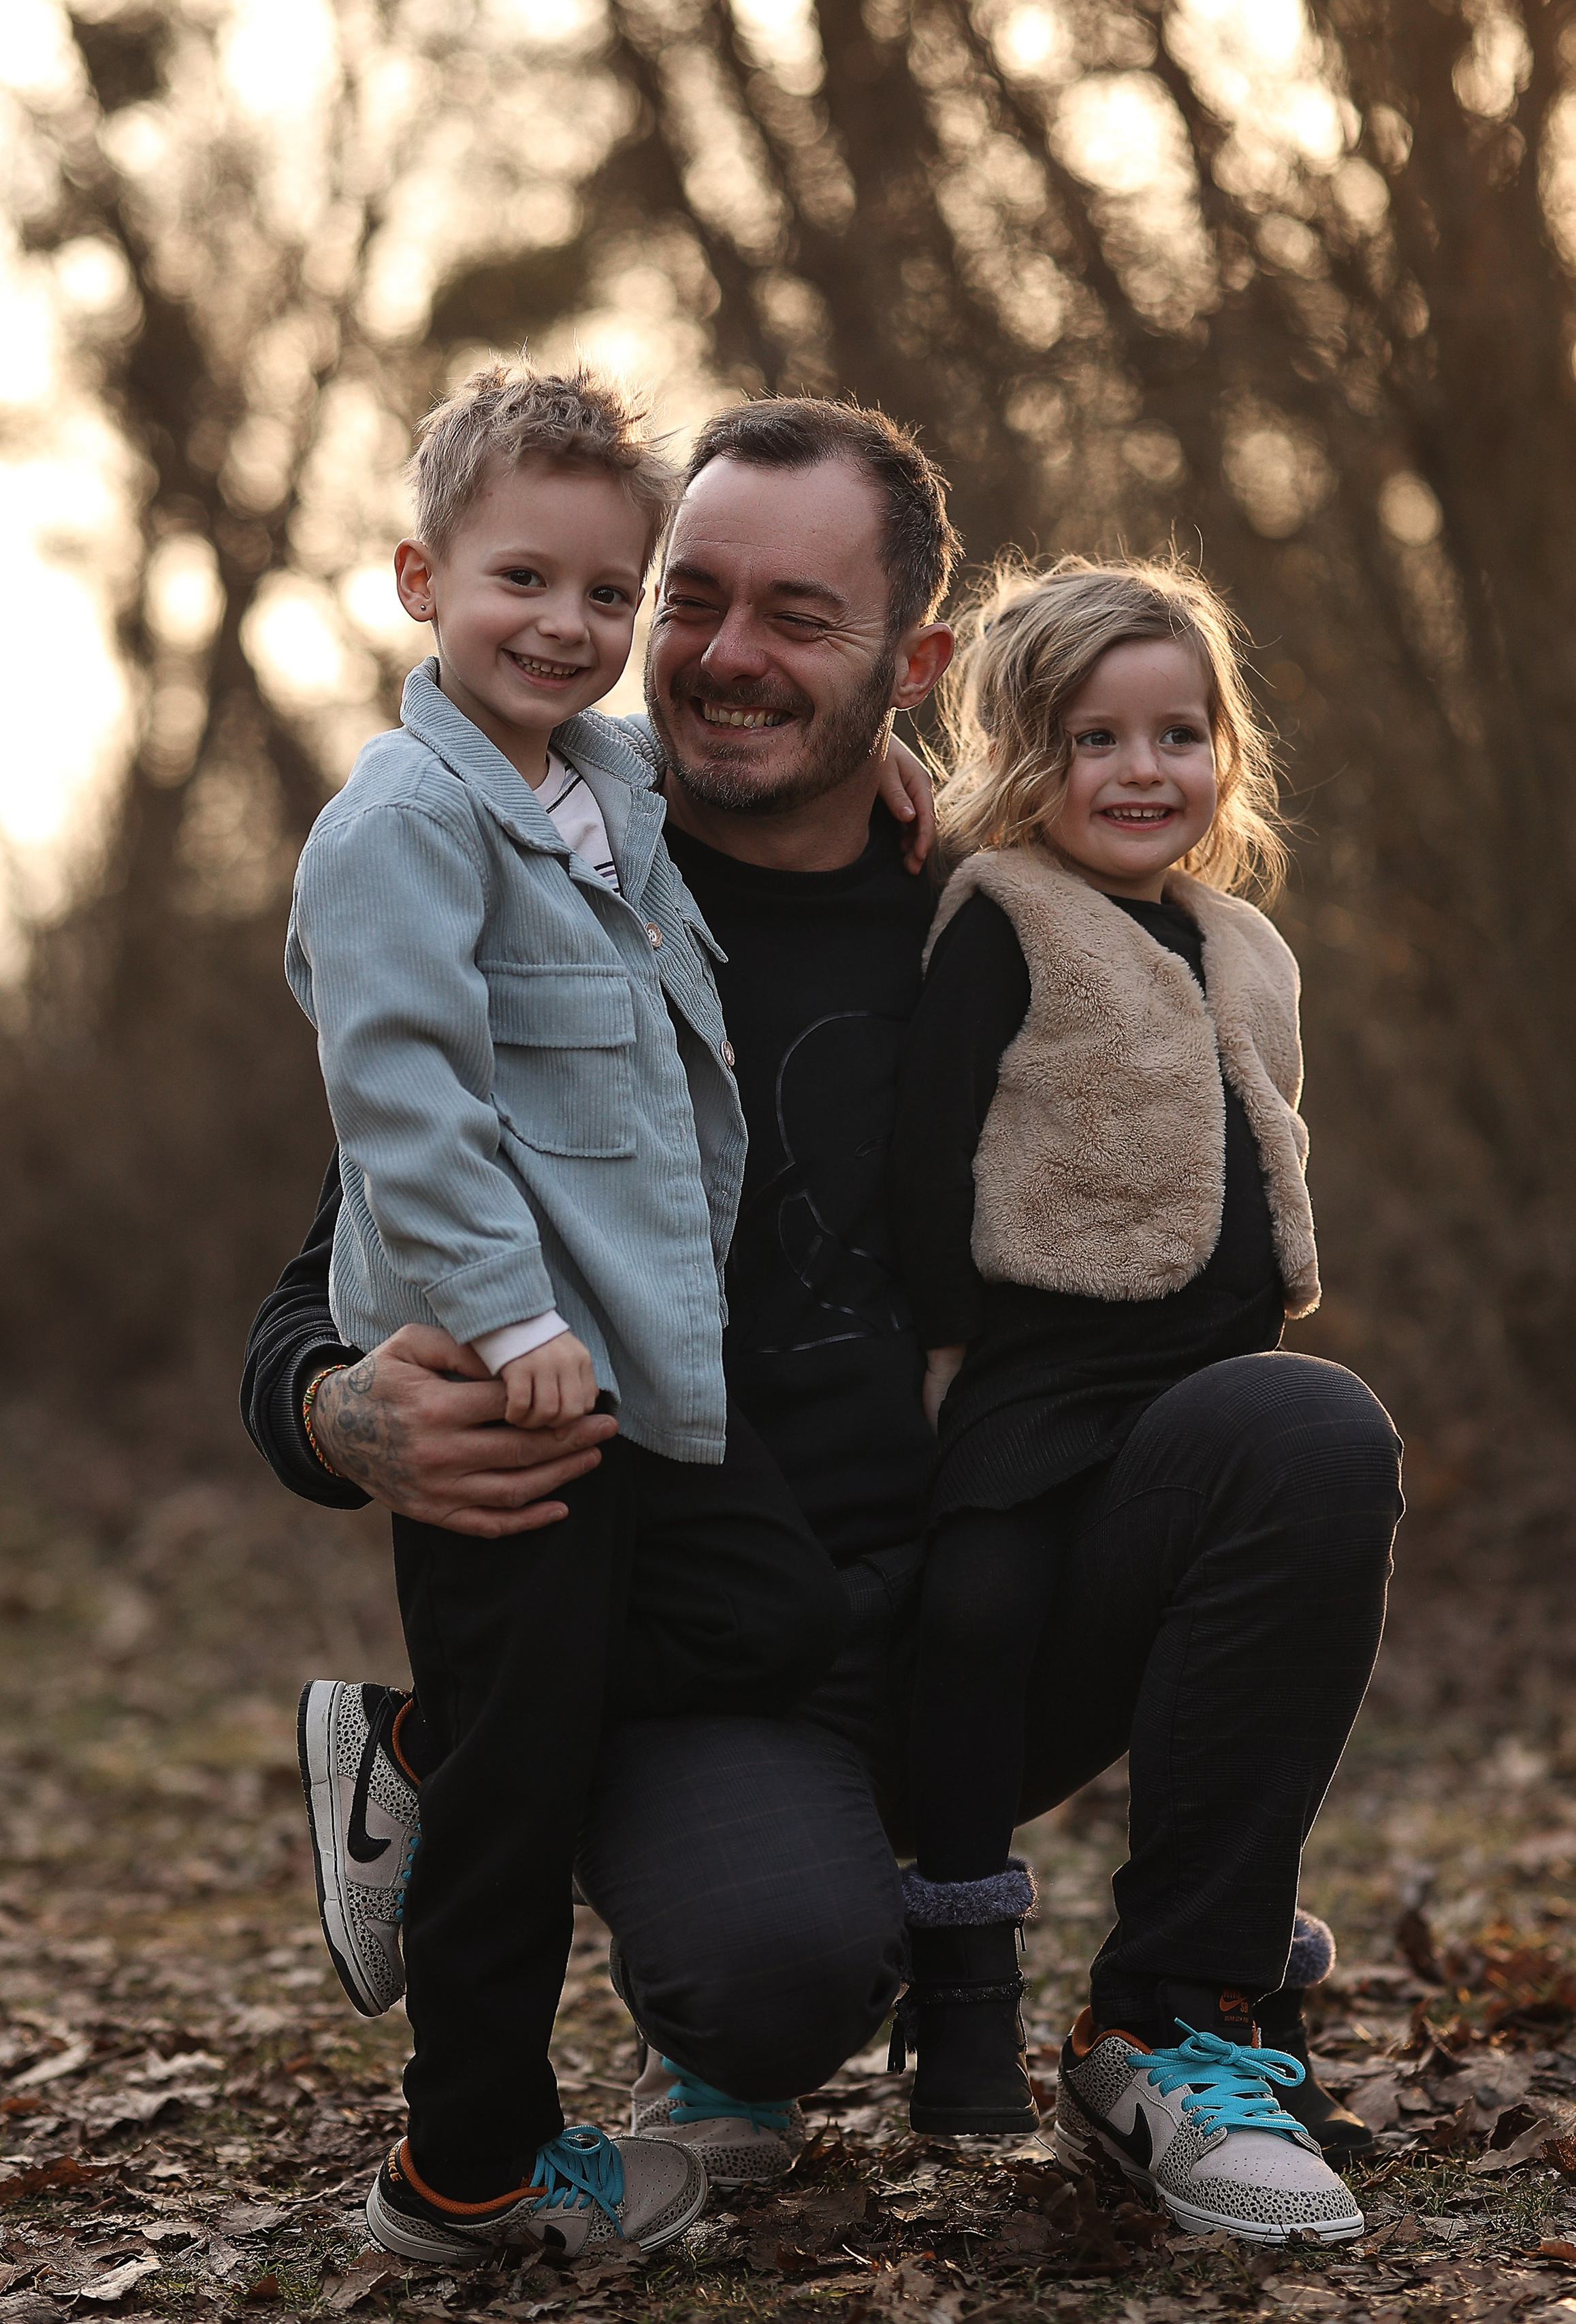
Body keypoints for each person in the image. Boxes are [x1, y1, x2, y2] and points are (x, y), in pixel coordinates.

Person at [243, 395, 1400, 2246]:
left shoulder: (1003, 912)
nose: (721, 656)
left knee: (1303, 1429)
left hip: (985, 1606)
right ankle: (459, 1774)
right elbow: (345, 1255)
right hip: (710, 1658)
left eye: (799, 615)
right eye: (689, 598)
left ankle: (1177, 2018)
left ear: (916, 663)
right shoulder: (558, 887)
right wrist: (331, 1407)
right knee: (777, 1977)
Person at [285, 360, 856, 2265]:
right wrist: (503, 1313)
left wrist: (898, 764)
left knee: (766, 1604)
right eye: (522, 580)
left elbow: (781, 778)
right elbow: (409, 1107)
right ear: (416, 579)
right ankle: (465, 2170)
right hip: (515, 1377)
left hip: (643, 1363)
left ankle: (423, 1751)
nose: (572, 626)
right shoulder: (399, 826)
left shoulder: (605, 782)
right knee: (530, 1814)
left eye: (612, 595)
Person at [887, 556, 1372, 2242]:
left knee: (1298, 1533)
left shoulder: (1242, 942)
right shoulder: (997, 921)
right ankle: (954, 1986)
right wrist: (935, 1362)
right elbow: (926, 1154)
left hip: (1206, 1397)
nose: (1141, 771)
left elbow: (1259, 1134)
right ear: (1023, 754)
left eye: (1178, 733)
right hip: (1037, 1390)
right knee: (980, 1603)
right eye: (1095, 738)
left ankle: (1205, 2000)